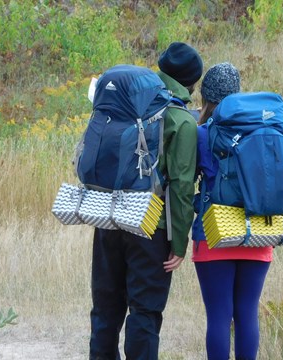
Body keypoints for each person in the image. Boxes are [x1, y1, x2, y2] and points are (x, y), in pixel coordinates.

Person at [89, 42, 202, 360]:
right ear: (191, 82)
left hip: (108, 217)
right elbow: (180, 187)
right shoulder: (181, 120)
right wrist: (179, 242)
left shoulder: (128, 105)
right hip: (151, 226)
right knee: (144, 312)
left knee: (105, 309)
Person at [191, 62, 273, 359]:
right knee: (247, 314)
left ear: (206, 97)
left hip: (214, 235)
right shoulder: (263, 128)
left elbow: (187, 182)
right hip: (258, 232)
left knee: (218, 317)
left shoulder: (201, 134)